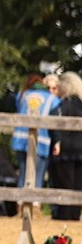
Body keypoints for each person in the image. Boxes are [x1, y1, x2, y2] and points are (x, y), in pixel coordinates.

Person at [11, 73, 59, 189]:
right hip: (41, 141)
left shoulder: (22, 95)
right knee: (38, 176)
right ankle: (35, 204)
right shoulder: (52, 99)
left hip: (20, 140)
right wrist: (57, 141)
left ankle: (20, 203)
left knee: (23, 174)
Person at [49, 71, 82, 221]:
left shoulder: (63, 105)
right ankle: (74, 216)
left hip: (66, 150)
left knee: (64, 184)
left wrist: (57, 141)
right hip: (80, 150)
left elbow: (54, 121)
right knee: (78, 185)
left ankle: (63, 217)